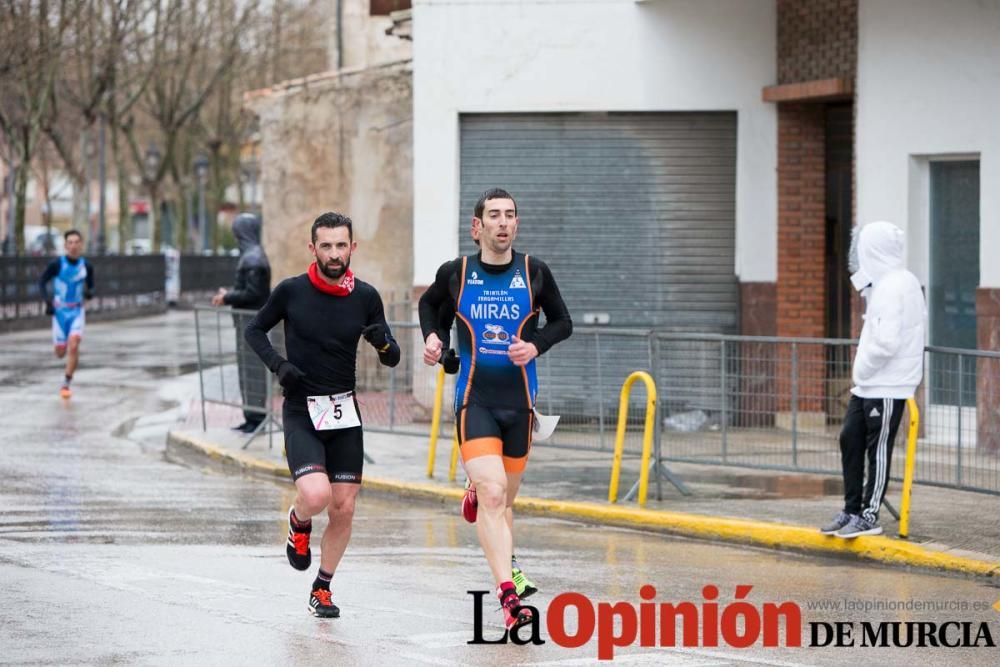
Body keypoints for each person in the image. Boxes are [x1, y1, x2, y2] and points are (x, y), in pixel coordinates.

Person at [418, 188, 572, 630]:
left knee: (504, 502)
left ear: (516, 225)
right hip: (475, 398)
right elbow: (431, 306)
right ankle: (509, 599)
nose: (503, 223)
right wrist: (434, 338)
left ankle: (476, 488)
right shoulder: (457, 273)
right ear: (477, 226)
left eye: (510, 216)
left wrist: (536, 344)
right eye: (494, 216)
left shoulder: (534, 272)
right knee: (493, 494)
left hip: (520, 403)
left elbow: (564, 322)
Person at [245, 212, 400, 618]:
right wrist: (279, 366)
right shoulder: (292, 292)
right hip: (301, 408)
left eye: (341, 245)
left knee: (344, 507)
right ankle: (298, 522)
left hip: (344, 412)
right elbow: (254, 331)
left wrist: (383, 343)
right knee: (316, 495)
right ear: (313, 249)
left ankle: (323, 587)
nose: (335, 254)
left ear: (353, 247)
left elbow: (391, 357)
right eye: (326, 246)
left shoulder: (365, 297)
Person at [820, 220, 926, 538]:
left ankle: (869, 515)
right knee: (849, 439)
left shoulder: (896, 285)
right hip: (869, 384)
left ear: (873, 251)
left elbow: (887, 341)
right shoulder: (884, 284)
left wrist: (862, 368)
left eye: (863, 249)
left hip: (888, 383)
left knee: (877, 449)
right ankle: (851, 509)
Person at [212, 213, 272, 433]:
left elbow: (254, 293)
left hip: (253, 324)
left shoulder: (255, 258)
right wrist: (230, 294)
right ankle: (250, 416)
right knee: (246, 371)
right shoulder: (250, 257)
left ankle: (257, 418)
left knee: (253, 371)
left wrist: (227, 297)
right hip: (245, 323)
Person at [38, 230, 94, 399]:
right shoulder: (56, 264)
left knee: (74, 344)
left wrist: (90, 293)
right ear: (65, 245)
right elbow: (42, 281)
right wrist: (47, 302)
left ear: (81, 245)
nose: (73, 246)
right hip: (59, 312)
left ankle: (66, 383)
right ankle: (62, 351)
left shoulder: (86, 266)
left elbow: (91, 286)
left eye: (77, 242)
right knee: (60, 352)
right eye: (70, 242)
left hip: (76, 310)